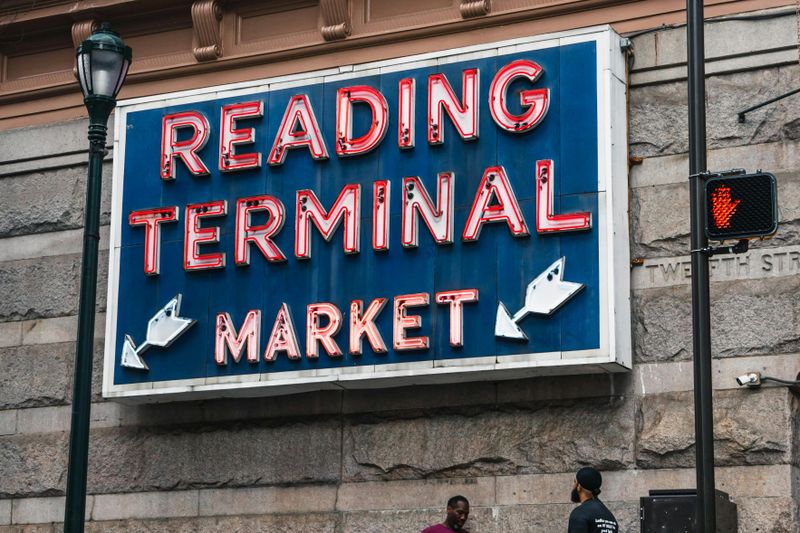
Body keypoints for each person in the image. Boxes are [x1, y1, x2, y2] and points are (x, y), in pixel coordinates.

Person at [568, 467, 619, 533]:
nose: (573, 486)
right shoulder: (611, 518)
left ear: (579, 486)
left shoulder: (580, 513)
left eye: (575, 482)